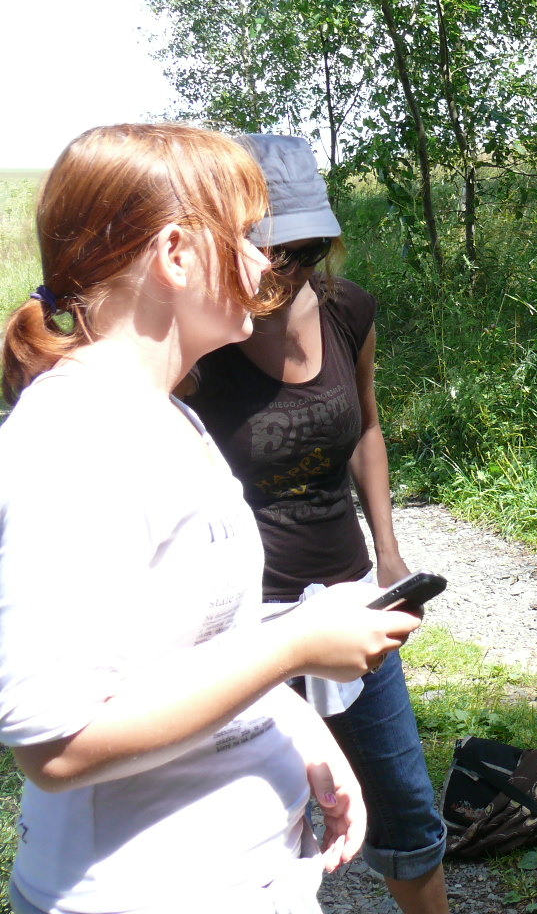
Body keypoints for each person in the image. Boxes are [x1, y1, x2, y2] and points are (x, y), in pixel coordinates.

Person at [0, 123, 421, 914]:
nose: (265, 264)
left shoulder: (166, 415)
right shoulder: (77, 437)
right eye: (245, 237)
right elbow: (55, 744)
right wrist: (294, 646)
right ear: (175, 254)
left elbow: (192, 654)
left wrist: (297, 728)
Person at [185, 134, 449, 914]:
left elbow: (367, 426)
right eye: (273, 251)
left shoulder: (347, 310)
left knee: (404, 805)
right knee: (251, 828)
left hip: (345, 599)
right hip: (240, 624)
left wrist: (388, 553)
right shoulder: (200, 341)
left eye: (306, 251)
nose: (288, 269)